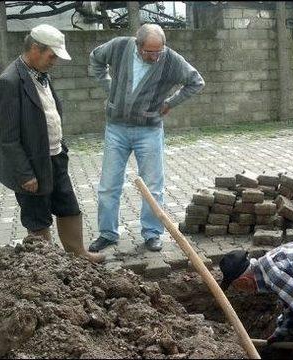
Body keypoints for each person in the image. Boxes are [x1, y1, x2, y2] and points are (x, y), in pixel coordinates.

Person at [0, 24, 105, 263]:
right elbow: (8, 137)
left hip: (55, 156)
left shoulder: (41, 74)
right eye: (51, 55)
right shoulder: (9, 82)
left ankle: (79, 255)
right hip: (31, 165)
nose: (54, 61)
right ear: (35, 48)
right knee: (38, 216)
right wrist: (25, 174)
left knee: (68, 205)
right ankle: (49, 266)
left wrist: (60, 146)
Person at [88, 24, 205, 252]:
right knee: (108, 185)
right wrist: (108, 86)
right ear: (137, 45)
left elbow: (196, 82)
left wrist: (170, 103)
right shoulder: (119, 46)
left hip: (148, 130)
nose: (155, 56)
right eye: (149, 52)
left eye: (158, 51)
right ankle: (108, 233)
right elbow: (96, 58)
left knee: (153, 186)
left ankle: (152, 234)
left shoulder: (170, 59)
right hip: (116, 129)